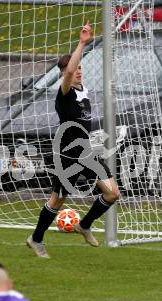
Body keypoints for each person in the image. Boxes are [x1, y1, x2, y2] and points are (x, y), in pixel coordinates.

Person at [26, 21, 120, 258]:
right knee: (57, 200)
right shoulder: (64, 92)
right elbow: (68, 72)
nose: (78, 70)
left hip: (86, 153)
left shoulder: (82, 91)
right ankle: (36, 239)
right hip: (68, 155)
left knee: (112, 193)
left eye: (79, 68)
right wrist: (82, 43)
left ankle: (84, 225)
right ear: (64, 73)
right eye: (74, 68)